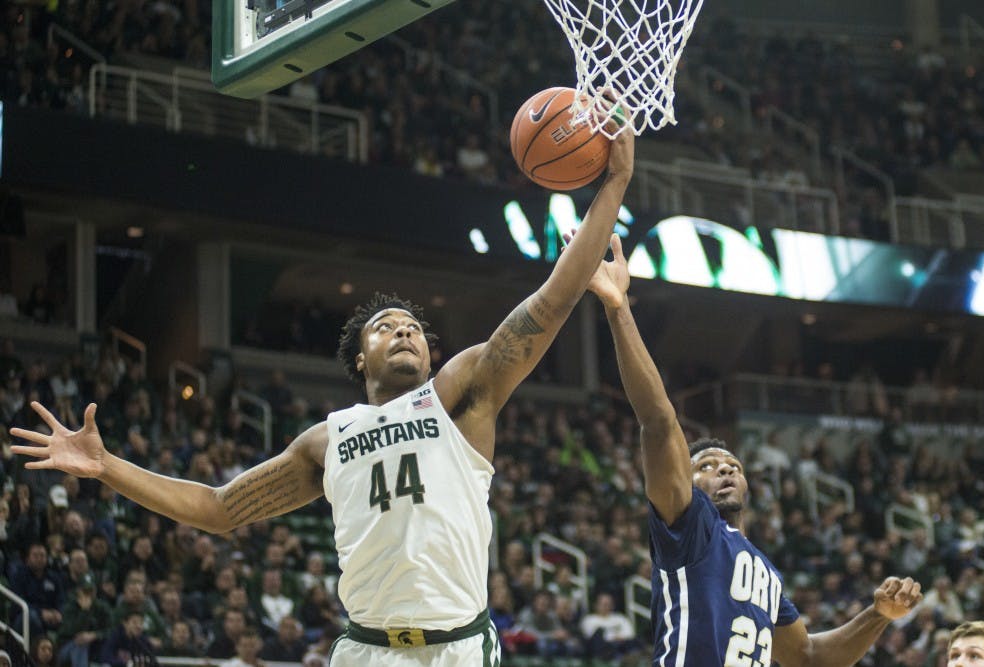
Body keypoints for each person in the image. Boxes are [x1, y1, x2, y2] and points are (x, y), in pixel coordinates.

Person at [12, 128, 634, 667]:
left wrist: (612, 186)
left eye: (413, 327)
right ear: (360, 358)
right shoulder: (328, 437)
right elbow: (218, 507)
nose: (404, 331)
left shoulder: (460, 395)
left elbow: (550, 303)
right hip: (365, 649)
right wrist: (104, 466)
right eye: (386, 326)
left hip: (457, 647)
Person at [584, 232, 925, 666]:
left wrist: (878, 615)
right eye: (707, 465)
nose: (725, 469)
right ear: (684, 482)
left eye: (732, 464)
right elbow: (658, 420)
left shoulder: (763, 569)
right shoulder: (689, 526)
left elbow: (808, 656)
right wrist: (618, 309)